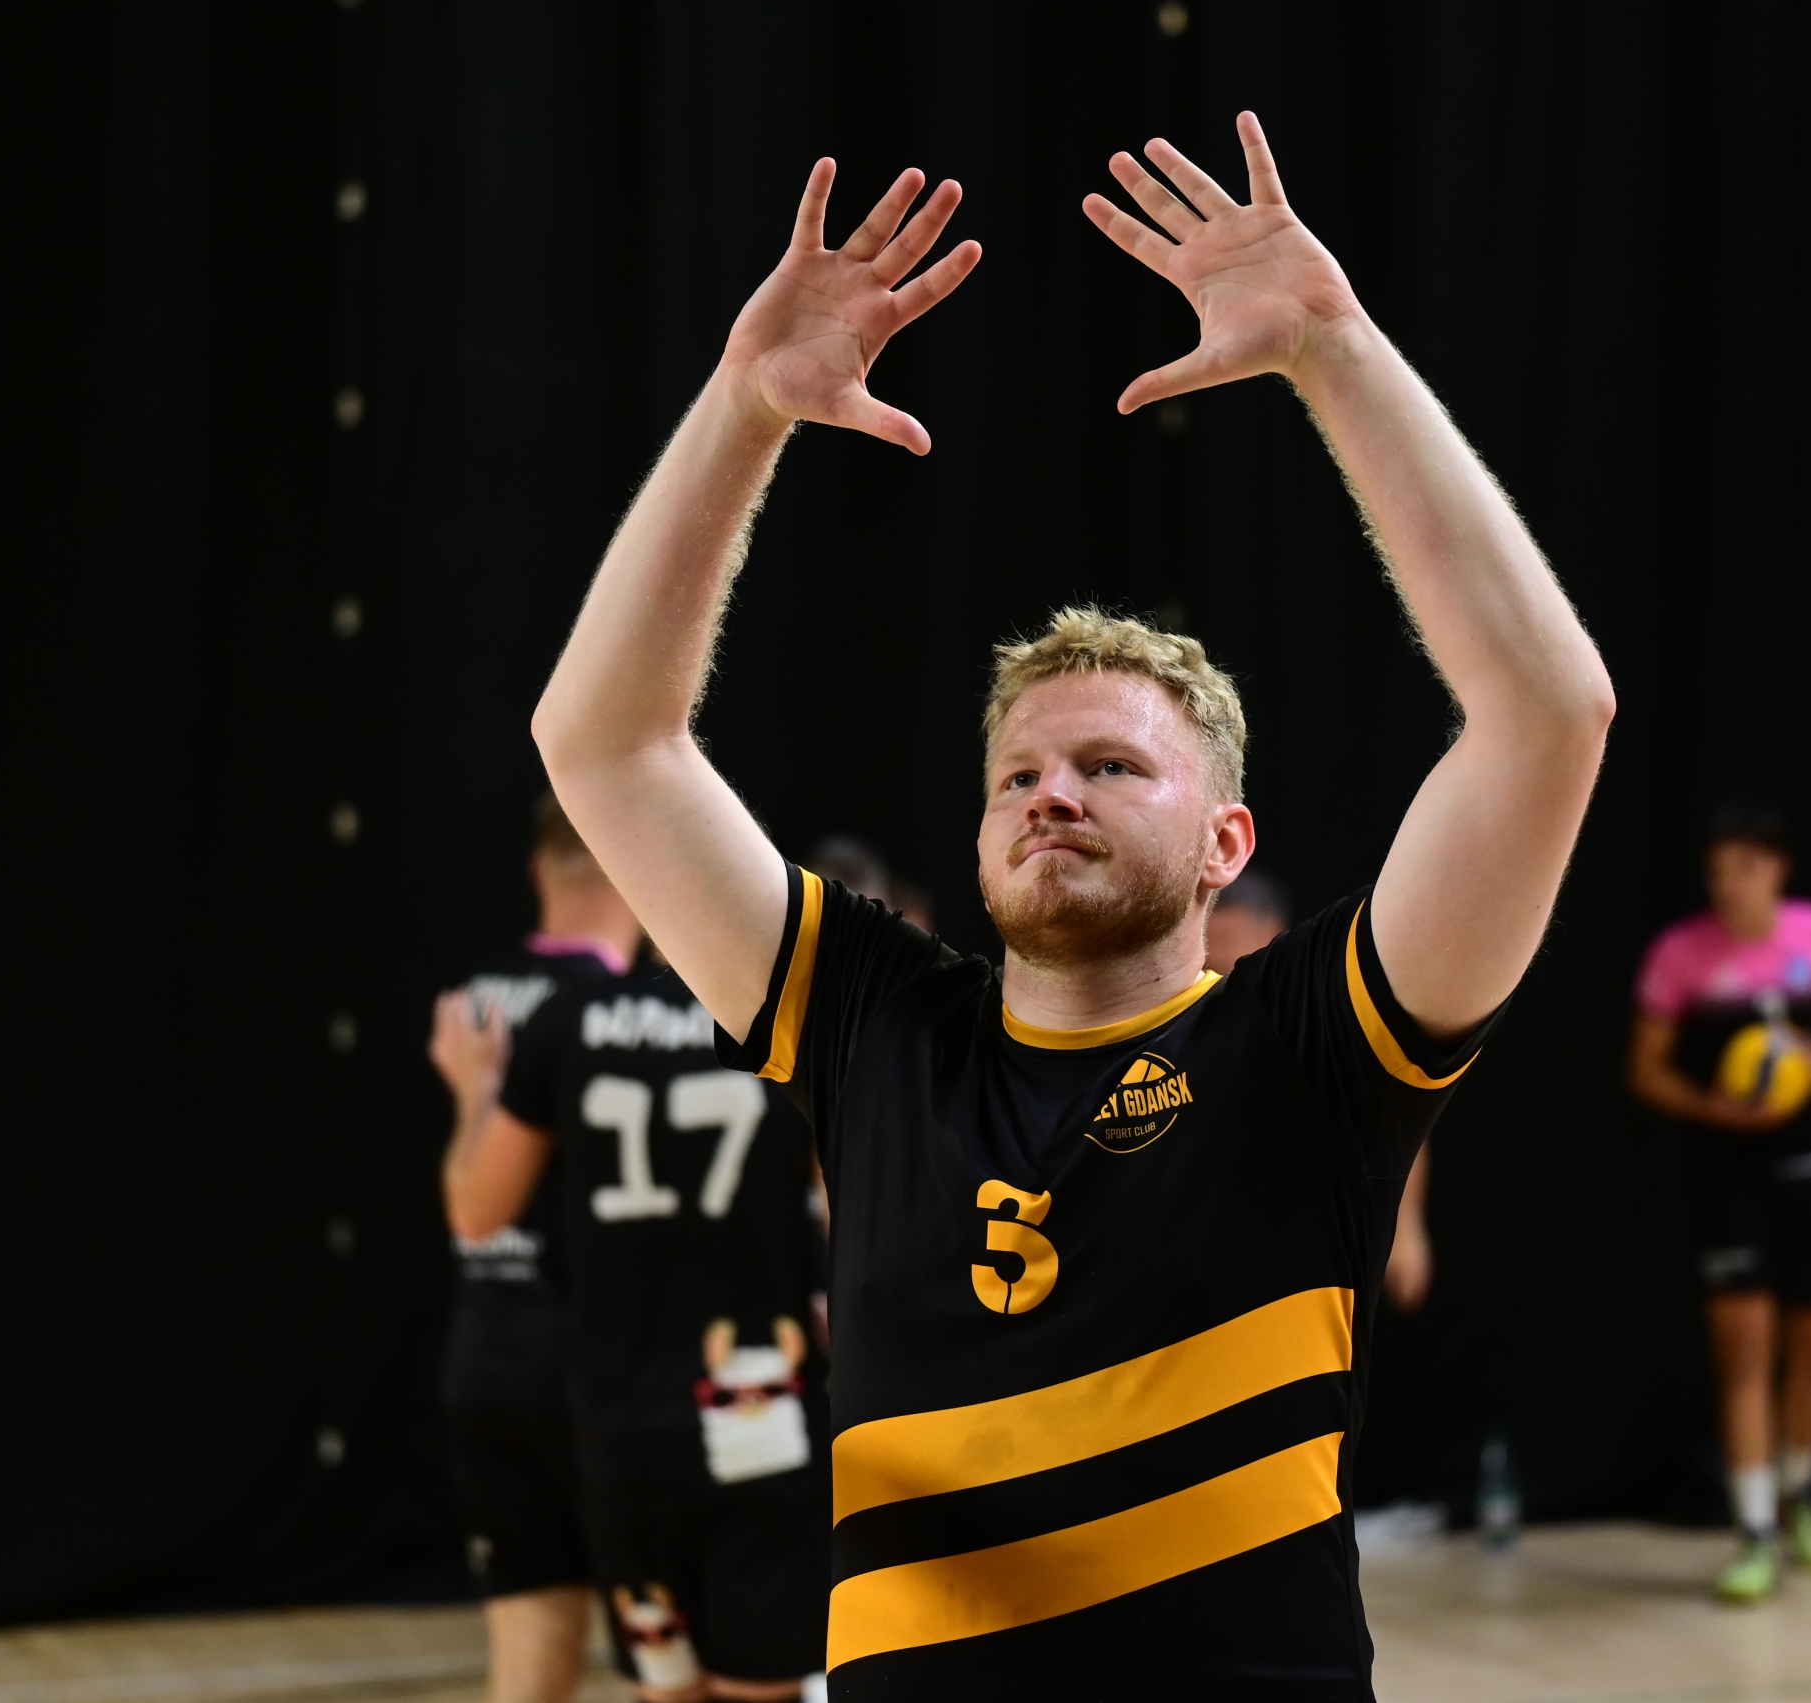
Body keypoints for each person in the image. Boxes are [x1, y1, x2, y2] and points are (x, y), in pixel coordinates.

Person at [530, 112, 1614, 1698]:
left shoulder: (1309, 1045)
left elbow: (1548, 716)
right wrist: (743, 407)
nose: (1052, 792)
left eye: (1113, 765)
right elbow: (604, 743)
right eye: (1020, 773)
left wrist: (1334, 350)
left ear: (1227, 840)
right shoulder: (876, 1025)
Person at [437, 944, 831, 1699]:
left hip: (624, 1430)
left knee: (667, 1688)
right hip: (763, 1418)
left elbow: (476, 1214)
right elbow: (857, 1215)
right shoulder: (793, 1020)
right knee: (763, 1689)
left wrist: (473, 1094)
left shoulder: (568, 1022)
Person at [1626, 805, 1811, 1603]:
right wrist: (1714, 1106)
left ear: (1779, 866)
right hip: (1729, 1176)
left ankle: (1802, 1494)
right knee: (1744, 1351)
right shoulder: (1680, 954)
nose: (1728, 883)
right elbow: (1647, 1070)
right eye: (1717, 869)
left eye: (1744, 865)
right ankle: (1754, 1528)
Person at [425, 796, 640, 1703]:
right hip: (600, 1366)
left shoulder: (474, 999)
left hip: (486, 1357)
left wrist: (473, 1099)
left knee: (527, 1657)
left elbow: (467, 1207)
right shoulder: (616, 1012)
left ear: (536, 871)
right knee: (670, 1661)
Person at [1211, 872, 1434, 1314]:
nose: (1215, 957)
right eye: (1207, 943)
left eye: (1227, 941)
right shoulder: (1184, 1018)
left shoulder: (1318, 1013)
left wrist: (1406, 1227)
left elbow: (1397, 1119)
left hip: (1314, 1246)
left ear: (1272, 932)